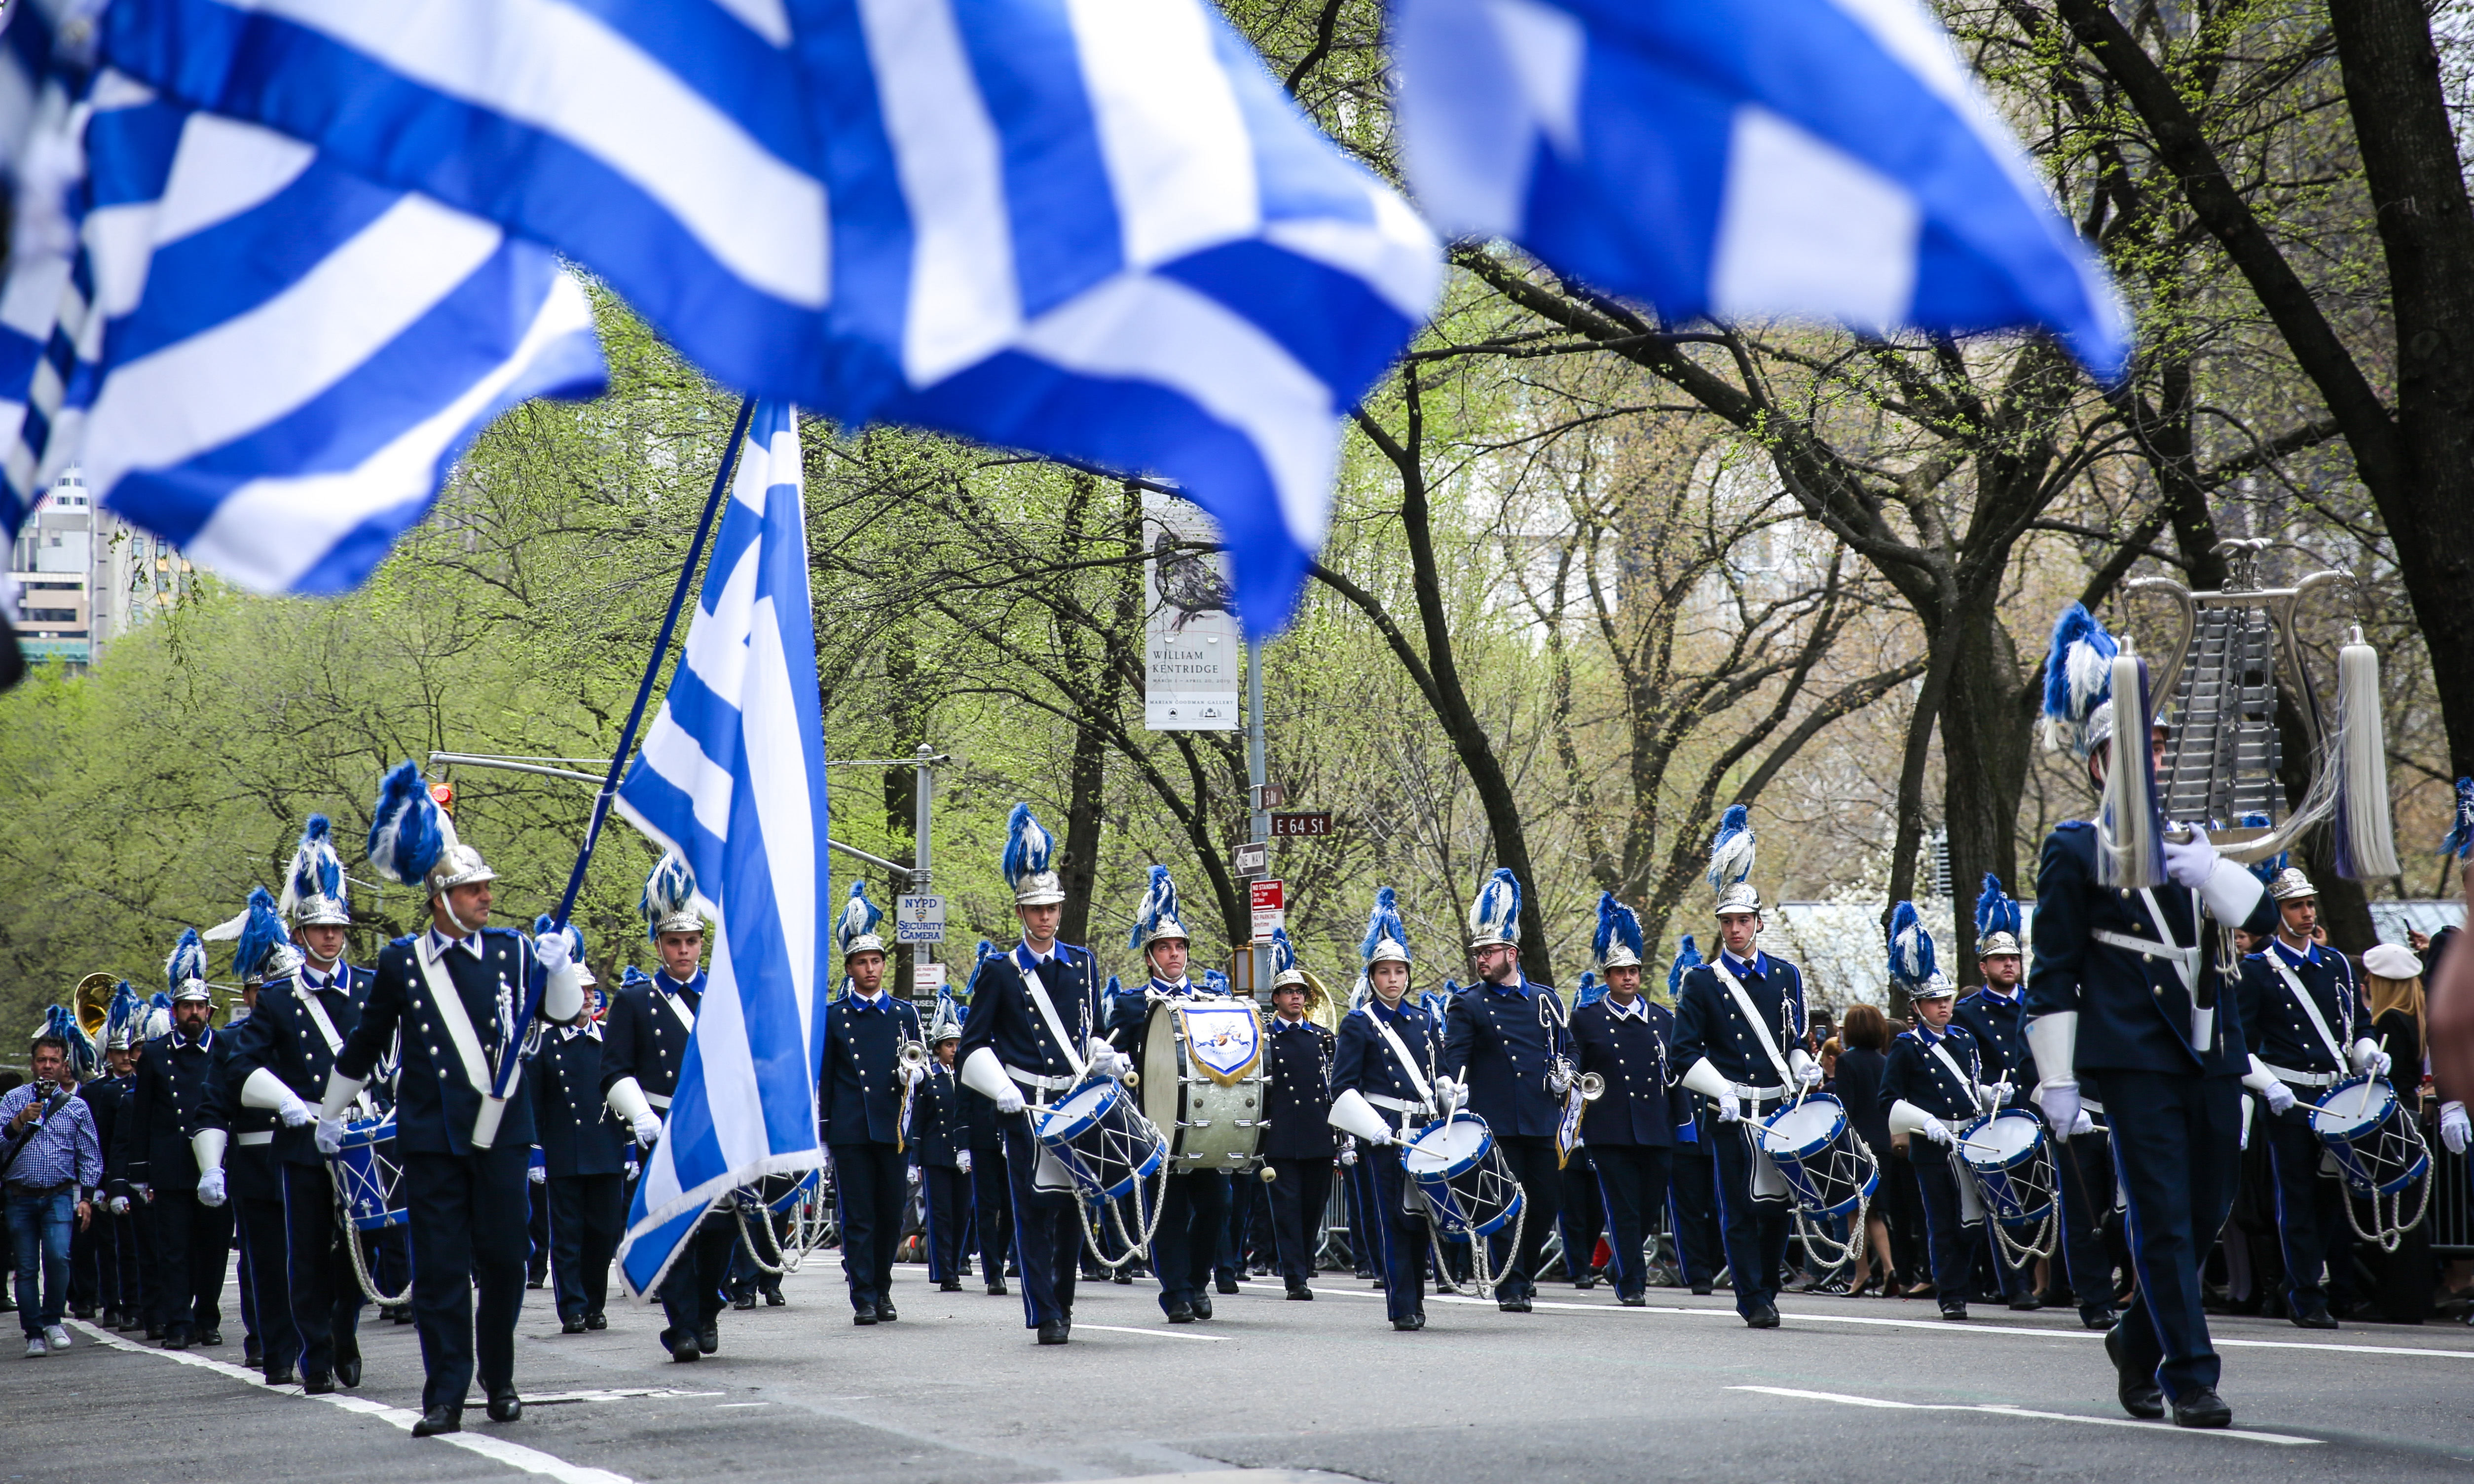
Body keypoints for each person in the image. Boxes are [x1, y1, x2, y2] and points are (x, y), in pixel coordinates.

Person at [2026, 603, 2276, 1430]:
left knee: (2207, 1212)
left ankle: (2137, 1338)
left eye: (2164, 746)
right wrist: (2056, 1076)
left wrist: (2210, 869)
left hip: (2212, 1046)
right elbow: (2055, 970)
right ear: (2100, 765)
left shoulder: (2199, 837)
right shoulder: (2074, 847)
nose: (2155, 759)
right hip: (2134, 1052)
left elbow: (2263, 921)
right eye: (2137, 748)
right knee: (2164, 1215)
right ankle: (2190, 1374)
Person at [315, 762, 583, 1437]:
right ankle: (445, 1390)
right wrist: (329, 1110)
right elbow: (367, 1041)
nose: (486, 896)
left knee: (503, 1260)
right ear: (442, 898)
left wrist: (557, 970)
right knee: (438, 1270)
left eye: (487, 887)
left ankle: (500, 1372)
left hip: (502, 1131)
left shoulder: (516, 950)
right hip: (434, 1135)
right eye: (473, 889)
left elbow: (561, 1015)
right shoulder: (406, 962)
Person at [227, 819, 378, 1392]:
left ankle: (344, 1329)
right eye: (319, 929)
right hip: (303, 1133)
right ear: (301, 933)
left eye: (338, 928)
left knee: (363, 1247)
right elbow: (242, 1065)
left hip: (359, 1131)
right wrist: (287, 1101)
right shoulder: (276, 1000)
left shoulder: (367, 987)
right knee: (308, 1252)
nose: (331, 938)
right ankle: (315, 1355)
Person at [955, 803, 1109, 1345]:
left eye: (1051, 908)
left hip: (1072, 1102)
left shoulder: (1084, 963)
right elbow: (973, 1045)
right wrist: (1000, 1090)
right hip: (1023, 1103)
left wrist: (1105, 1056)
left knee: (1070, 1208)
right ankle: (1042, 1311)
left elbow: (1092, 1027)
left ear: (1060, 910)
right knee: (1031, 1207)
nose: (1045, 917)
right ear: (1021, 913)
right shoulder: (999, 970)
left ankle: (1061, 1304)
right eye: (1035, 910)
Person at [1672, 806, 1820, 1329]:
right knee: (1737, 1207)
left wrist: (1804, 1065)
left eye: (1742, 920)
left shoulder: (1785, 975)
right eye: (1726, 922)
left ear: (1759, 922)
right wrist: (1721, 1092)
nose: (1734, 929)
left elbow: (1794, 1039)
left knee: (1777, 1203)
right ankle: (1752, 1296)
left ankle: (1768, 1284)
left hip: (1779, 1104)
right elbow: (1683, 1053)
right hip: (1731, 1109)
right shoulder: (1701, 982)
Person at [2232, 866, 2376, 1330]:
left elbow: (2358, 1028)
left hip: (2335, 1097)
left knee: (2330, 1200)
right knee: (2294, 1199)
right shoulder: (2254, 970)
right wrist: (2268, 1085)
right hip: (2289, 1100)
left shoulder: (2335, 963)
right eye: (2296, 905)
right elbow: (2238, 1044)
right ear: (2276, 914)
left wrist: (2369, 1053)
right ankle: (2304, 1294)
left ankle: (2328, 1288)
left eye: (2310, 903)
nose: (2307, 912)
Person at [603, 852, 732, 1365]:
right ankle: (681, 1324)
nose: (684, 950)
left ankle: (706, 1309)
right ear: (659, 944)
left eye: (692, 941)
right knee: (675, 1227)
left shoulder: (724, 996)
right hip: (661, 1126)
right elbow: (613, 1070)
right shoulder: (635, 1001)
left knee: (721, 1230)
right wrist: (639, 1114)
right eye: (674, 942)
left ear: (703, 943)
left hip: (715, 1129)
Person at [1103, 865, 1229, 1323]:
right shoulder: (1130, 1004)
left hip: (1203, 1123)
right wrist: (1115, 1064)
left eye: (1179, 947)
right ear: (1150, 955)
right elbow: (1106, 1056)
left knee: (1218, 1203)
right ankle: (1176, 1291)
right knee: (1168, 1211)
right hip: (1152, 1126)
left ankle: (1196, 1279)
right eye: (1164, 947)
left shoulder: (1211, 1002)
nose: (1173, 954)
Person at [1440, 867, 1567, 1312]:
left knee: (1545, 1205)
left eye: (1489, 951)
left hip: (1542, 1118)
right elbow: (1453, 1059)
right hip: (1496, 1123)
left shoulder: (1547, 999)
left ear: (1513, 953)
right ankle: (1509, 1283)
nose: (1481, 959)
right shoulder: (1468, 1002)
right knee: (1507, 1206)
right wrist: (1448, 1090)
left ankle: (1524, 1273)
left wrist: (1564, 1075)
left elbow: (1563, 1051)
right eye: (1477, 952)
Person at [1328, 886, 1444, 1331]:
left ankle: (1419, 1298)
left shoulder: (1424, 1020)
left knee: (1420, 1217)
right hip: (1383, 1131)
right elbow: (1342, 1086)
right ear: (1372, 978)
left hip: (1423, 1128)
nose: (1393, 979)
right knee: (1394, 1218)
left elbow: (1439, 1071)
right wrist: (1369, 1128)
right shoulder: (1359, 1021)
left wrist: (1449, 1089)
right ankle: (1402, 1306)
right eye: (1384, 972)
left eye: (1399, 972)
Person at [1568, 892, 1686, 1307]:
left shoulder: (1662, 1019)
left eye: (1634, 970)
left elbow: (1675, 1077)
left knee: (1648, 1204)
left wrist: (1682, 1124)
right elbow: (1575, 1072)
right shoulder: (1585, 1019)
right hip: (1610, 1127)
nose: (1628, 978)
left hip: (1655, 1126)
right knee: (1623, 1208)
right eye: (1620, 972)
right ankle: (1632, 1281)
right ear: (1607, 976)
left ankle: (1620, 1264)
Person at [115, 936, 231, 1352]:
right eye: (187, 1007)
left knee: (214, 1248)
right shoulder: (156, 1054)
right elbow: (142, 1117)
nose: (195, 1013)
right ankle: (179, 1322)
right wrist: (139, 1174)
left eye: (201, 1007)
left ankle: (208, 1317)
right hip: (171, 1166)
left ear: (210, 1010)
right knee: (174, 1251)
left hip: (216, 1164)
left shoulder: (225, 1048)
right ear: (175, 1011)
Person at [1880, 911, 1996, 1322]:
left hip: (1967, 1139)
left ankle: (1968, 1284)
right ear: (1917, 1005)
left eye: (1946, 999)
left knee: (1972, 1217)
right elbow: (1889, 1101)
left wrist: (1989, 1093)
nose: (1944, 1006)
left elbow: (1970, 1085)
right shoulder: (1905, 1047)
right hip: (1932, 1145)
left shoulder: (1964, 1038)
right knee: (1942, 1221)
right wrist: (1923, 1121)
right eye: (1934, 1000)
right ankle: (1951, 1293)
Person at [820, 881, 924, 1326]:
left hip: (893, 1127)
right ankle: (863, 1295)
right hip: (850, 1129)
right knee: (858, 1217)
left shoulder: (904, 1013)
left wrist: (912, 1075)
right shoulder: (833, 1015)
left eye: (876, 961)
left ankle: (882, 1287)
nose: (870, 969)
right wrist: (823, 1134)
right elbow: (824, 1078)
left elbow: (918, 1064)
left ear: (884, 964)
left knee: (888, 1216)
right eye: (861, 962)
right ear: (849, 967)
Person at [1952, 875, 2045, 1315]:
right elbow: (1962, 1068)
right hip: (1995, 1116)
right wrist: (1986, 1088)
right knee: (2002, 1202)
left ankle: (2051, 1279)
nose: (2009, 965)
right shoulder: (1967, 1012)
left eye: (2013, 958)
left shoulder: (2036, 1002)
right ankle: (2014, 1281)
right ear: (1983, 966)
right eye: (1999, 959)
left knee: (2045, 1195)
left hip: (2037, 1106)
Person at [221, 889, 302, 1384]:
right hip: (256, 1166)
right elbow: (216, 1103)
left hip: (310, 1158)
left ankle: (325, 1342)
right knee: (265, 1265)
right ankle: (271, 1345)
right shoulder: (233, 1041)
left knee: (316, 1259)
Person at [526, 936, 624, 1337]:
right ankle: (573, 1308)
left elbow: (623, 1090)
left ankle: (595, 1303)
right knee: (567, 1237)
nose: (585, 997)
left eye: (590, 990)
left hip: (606, 1150)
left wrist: (631, 1145)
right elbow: (533, 1103)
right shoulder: (544, 1044)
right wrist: (535, 1154)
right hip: (564, 1152)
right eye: (577, 990)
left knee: (603, 1234)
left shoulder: (610, 1039)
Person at [3, 1031, 101, 1357]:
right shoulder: (12, 1099)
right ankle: (33, 1332)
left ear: (63, 1066)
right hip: (20, 1195)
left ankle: (53, 1318)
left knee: (59, 1257)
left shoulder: (77, 1107)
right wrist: (19, 1121)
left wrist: (86, 1197)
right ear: (33, 1063)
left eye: (54, 1060)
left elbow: (90, 1155)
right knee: (27, 1267)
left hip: (59, 1194)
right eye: (42, 1059)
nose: (47, 1066)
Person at [2357, 941, 2433, 1325]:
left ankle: (2397, 1299)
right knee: (2410, 1210)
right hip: (2410, 1115)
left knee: (2393, 1211)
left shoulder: (2387, 1020)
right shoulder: (2414, 1015)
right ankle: (2416, 1296)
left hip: (2391, 1118)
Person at [1260, 932, 1337, 1301]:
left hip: (1318, 1135)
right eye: (1288, 991)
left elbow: (1334, 1087)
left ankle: (1302, 1264)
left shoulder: (1323, 1037)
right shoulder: (1263, 1040)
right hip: (1281, 1137)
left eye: (1300, 991)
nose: (1295, 996)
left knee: (1312, 1210)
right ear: (1276, 998)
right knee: (1287, 1211)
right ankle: (1294, 1277)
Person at [1659, 938, 1723, 1297]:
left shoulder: (1719, 1030)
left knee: (1718, 1206)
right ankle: (1696, 1271)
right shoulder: (1668, 1031)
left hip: (1715, 1130)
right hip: (1683, 1132)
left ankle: (1711, 1264)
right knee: (1686, 1208)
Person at [954, 942, 1014, 1298]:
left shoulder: (1013, 1038)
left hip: (1011, 1129)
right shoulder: (974, 1042)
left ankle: (1003, 1256)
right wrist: (963, 1145)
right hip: (981, 1134)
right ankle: (993, 1270)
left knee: (1011, 1204)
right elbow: (964, 1097)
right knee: (987, 1203)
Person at [1829, 1003, 1895, 1296]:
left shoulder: (1847, 1062)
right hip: (1885, 1144)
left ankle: (1861, 1273)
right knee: (1877, 1212)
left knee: (1855, 1212)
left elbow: (1845, 1108)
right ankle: (1890, 1268)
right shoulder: (1886, 1062)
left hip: (1857, 1146)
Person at [909, 996, 970, 1293]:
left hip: (966, 1155)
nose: (955, 1050)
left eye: (958, 1044)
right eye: (949, 1045)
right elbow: (919, 1121)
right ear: (937, 1049)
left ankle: (956, 1262)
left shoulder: (969, 1078)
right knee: (941, 1215)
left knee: (962, 1214)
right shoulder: (930, 1079)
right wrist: (913, 1160)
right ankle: (944, 1271)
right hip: (937, 1155)